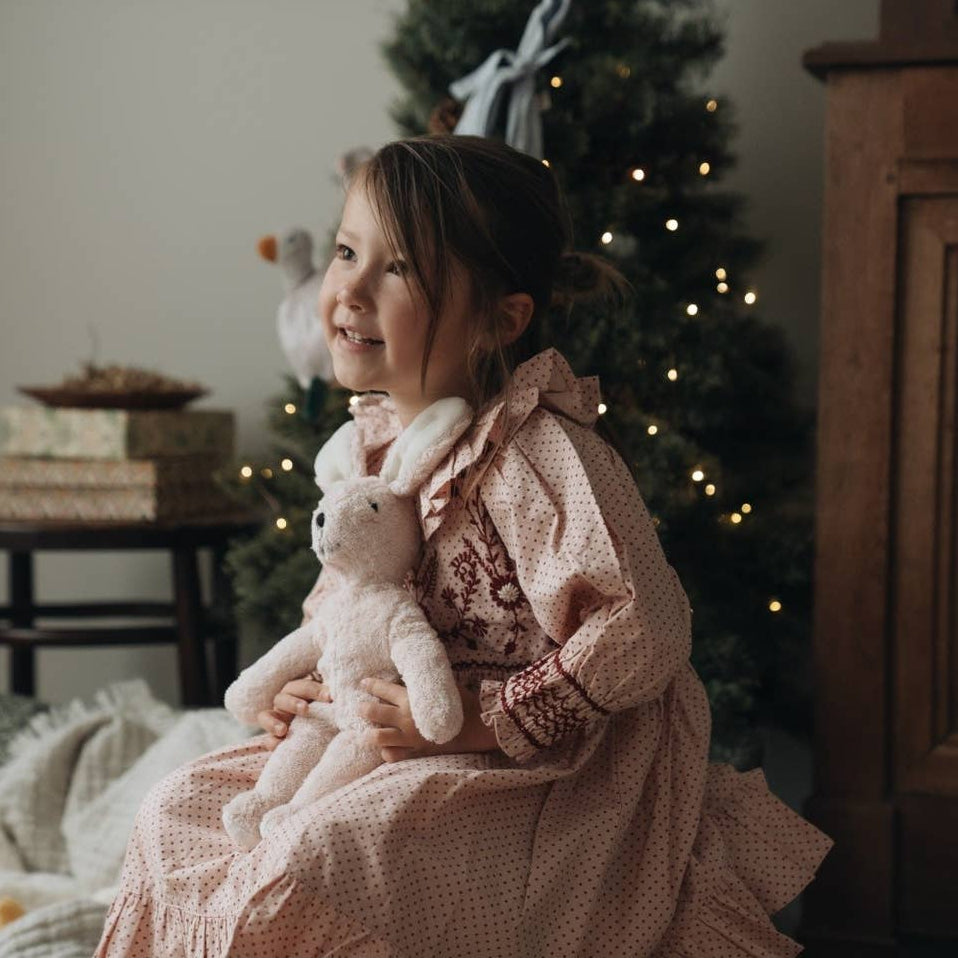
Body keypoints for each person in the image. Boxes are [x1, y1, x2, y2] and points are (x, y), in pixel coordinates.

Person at [95, 134, 832, 958]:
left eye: (400, 269)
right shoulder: (366, 445)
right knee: (174, 810)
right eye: (347, 252)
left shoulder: (533, 454)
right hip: (384, 729)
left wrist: (487, 722)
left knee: (320, 856)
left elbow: (646, 625)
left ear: (499, 318)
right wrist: (304, 682)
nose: (351, 291)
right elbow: (351, 599)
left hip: (535, 760)